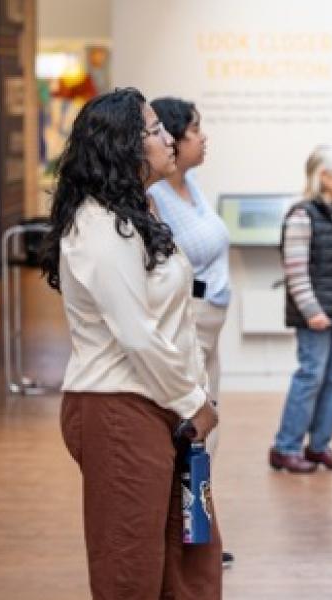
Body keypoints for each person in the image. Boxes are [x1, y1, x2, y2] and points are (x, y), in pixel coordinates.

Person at [40, 87, 222, 599]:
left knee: (188, 558)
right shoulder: (98, 226)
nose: (166, 137)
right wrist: (194, 402)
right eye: (154, 129)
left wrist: (190, 396)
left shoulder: (140, 211)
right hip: (119, 409)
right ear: (123, 145)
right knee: (130, 571)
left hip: (160, 402)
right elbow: (137, 335)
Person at [148, 96, 235, 568]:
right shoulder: (156, 198)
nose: (204, 138)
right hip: (189, 324)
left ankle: (198, 530)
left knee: (211, 425)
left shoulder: (192, 185)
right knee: (193, 426)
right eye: (196, 130)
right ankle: (187, 535)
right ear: (174, 140)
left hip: (211, 321)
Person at [269, 145, 332, 473]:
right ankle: (285, 447)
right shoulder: (303, 215)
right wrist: (312, 311)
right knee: (310, 377)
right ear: (324, 176)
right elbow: (296, 270)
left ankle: (318, 446)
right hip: (317, 315)